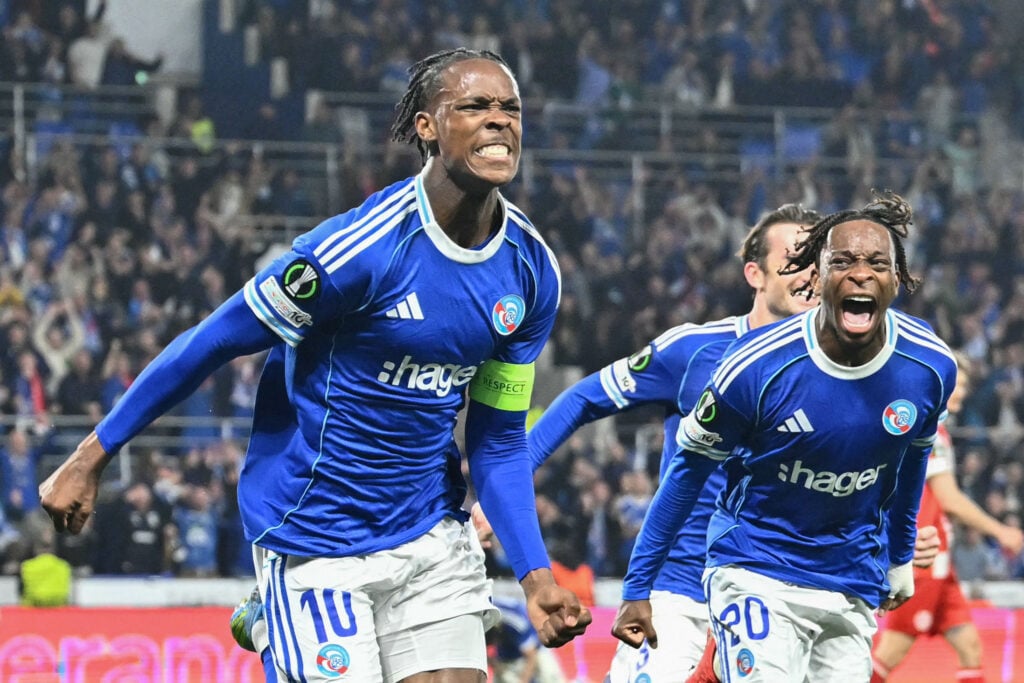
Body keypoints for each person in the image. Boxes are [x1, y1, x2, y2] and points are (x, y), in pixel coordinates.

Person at [38, 47, 591, 683]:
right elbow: (212, 340)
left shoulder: (530, 271)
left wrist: (536, 574)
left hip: (429, 532)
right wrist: (91, 456)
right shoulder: (356, 251)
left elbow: (495, 441)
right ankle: (279, 609)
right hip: (316, 535)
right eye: (475, 106)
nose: (500, 121)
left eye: (510, 109)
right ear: (428, 127)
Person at [476, 203, 944, 682]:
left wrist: (892, 543)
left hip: (791, 589)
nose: (807, 274)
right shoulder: (695, 351)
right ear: (754, 273)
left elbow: (843, 479)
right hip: (683, 596)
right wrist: (503, 494)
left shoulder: (863, 370)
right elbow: (582, 400)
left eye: (814, 259)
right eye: (793, 260)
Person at [611, 191, 958, 682]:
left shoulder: (929, 365)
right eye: (843, 261)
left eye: (877, 263)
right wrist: (637, 586)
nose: (861, 273)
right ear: (817, 277)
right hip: (757, 570)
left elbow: (912, 461)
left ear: (896, 280)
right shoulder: (756, 366)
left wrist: (899, 557)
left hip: (849, 582)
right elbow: (686, 473)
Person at [870, 353, 1024, 683]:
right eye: (957, 383)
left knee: (970, 648)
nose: (963, 391)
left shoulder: (932, 429)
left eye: (966, 384)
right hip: (923, 559)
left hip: (941, 562)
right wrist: (1002, 532)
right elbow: (949, 498)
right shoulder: (930, 433)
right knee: (888, 655)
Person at [487, 595, 567, 683]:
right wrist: (495, 665)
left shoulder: (517, 624)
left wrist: (523, 681)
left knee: (549, 676)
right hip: (507, 655)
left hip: (537, 647)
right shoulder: (481, 616)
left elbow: (531, 656)